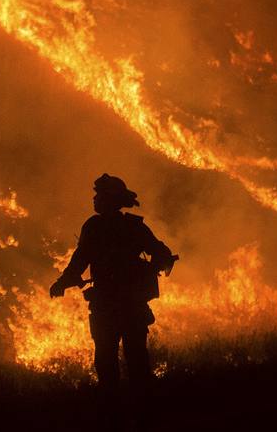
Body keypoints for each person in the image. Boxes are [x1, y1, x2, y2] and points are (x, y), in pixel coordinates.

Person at [49, 174, 177, 410]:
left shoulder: (95, 227)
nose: (95, 199)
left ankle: (118, 411)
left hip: (109, 306)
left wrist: (61, 284)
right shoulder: (132, 226)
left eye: (99, 195)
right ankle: (140, 410)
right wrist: (149, 268)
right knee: (133, 358)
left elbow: (78, 263)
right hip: (128, 306)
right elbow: (162, 254)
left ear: (110, 199)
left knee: (109, 361)